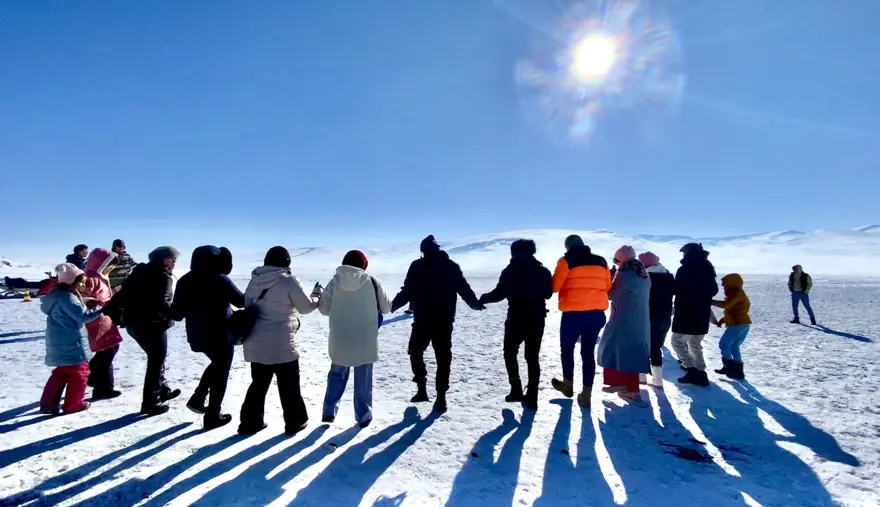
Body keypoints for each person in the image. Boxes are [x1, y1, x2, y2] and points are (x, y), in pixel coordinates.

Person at [390, 235, 484, 414]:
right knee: (442, 357)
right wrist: (475, 304)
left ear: (423, 251)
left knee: (416, 352)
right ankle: (440, 396)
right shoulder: (450, 266)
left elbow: (408, 290)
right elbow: (464, 288)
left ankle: (422, 389)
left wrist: (393, 305)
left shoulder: (418, 266)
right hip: (443, 319)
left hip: (423, 319)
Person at [238, 246, 321, 435]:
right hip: (282, 344)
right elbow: (306, 307)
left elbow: (248, 305)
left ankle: (250, 423)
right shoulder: (288, 281)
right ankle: (295, 422)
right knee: (289, 385)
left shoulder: (254, 280)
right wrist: (317, 294)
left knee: (258, 384)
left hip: (256, 342)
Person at [171, 246, 245, 430]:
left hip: (196, 334)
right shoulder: (220, 279)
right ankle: (212, 414)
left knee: (217, 365)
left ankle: (199, 397)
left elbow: (177, 313)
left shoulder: (185, 280)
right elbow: (241, 301)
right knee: (221, 371)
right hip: (221, 334)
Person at [318, 250, 392, 428]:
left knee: (336, 374)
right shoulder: (372, 281)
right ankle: (364, 415)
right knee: (363, 379)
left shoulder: (334, 282)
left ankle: (329, 411)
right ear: (364, 264)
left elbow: (324, 310)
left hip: (340, 338)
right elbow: (387, 308)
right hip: (364, 339)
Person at [478, 239, 552, 411]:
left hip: (515, 318)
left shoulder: (509, 271)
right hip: (536, 318)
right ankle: (532, 397)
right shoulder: (542, 271)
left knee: (510, 353)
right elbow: (548, 294)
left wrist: (484, 298)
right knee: (532, 357)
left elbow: (499, 294)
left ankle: (516, 389)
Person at [549, 235, 612, 409]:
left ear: (567, 247)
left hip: (573, 315)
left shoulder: (566, 260)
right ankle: (586, 394)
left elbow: (554, 287)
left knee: (567, 349)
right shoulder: (601, 261)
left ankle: (568, 384)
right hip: (596, 314)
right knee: (587, 352)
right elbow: (607, 287)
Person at [120, 246, 182, 415]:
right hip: (152, 324)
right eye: (171, 258)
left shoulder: (140, 272)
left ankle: (162, 390)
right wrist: (177, 314)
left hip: (133, 324)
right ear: (162, 259)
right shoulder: (163, 276)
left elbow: (123, 293)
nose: (174, 261)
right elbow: (162, 303)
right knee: (156, 361)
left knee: (156, 359)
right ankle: (150, 402)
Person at [40, 264, 103, 415]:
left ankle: (48, 403)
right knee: (80, 372)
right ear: (70, 281)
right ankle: (74, 405)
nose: (83, 285)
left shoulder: (56, 295)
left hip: (58, 342)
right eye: (80, 282)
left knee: (62, 372)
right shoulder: (68, 297)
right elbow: (83, 317)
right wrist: (100, 307)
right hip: (72, 342)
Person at [598, 246, 651, 401]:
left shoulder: (626, 274)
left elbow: (612, 295)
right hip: (640, 318)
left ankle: (617, 383)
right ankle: (632, 390)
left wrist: (606, 281)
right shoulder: (642, 272)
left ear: (622, 260)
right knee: (632, 353)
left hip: (623, 317)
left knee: (610, 347)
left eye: (617, 260)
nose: (616, 263)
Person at [670, 243, 719, 387]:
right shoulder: (708, 268)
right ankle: (701, 373)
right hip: (702, 313)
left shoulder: (685, 269)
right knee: (695, 344)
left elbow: (678, 289)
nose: (682, 255)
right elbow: (713, 290)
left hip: (686, 313)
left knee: (677, 341)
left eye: (683, 252)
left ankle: (691, 370)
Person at [81, 248, 123, 400]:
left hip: (105, 319)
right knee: (107, 351)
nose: (110, 268)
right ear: (99, 263)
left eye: (112, 265)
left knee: (108, 350)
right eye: (108, 264)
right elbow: (83, 297)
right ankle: (102, 387)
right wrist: (97, 304)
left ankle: (90, 379)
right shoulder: (91, 278)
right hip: (96, 321)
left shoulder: (100, 277)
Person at [638, 251, 675, 389]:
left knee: (643, 346)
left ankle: (641, 376)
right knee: (656, 347)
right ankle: (657, 379)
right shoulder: (668, 276)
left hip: (647, 315)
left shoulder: (644, 276)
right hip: (664, 317)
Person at [712, 274, 751, 380]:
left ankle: (729, 367)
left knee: (724, 344)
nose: (722, 285)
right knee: (734, 347)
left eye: (724, 283)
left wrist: (709, 301)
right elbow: (735, 310)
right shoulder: (736, 293)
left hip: (737, 324)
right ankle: (738, 372)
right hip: (743, 323)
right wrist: (723, 320)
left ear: (731, 283)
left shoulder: (737, 293)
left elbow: (726, 305)